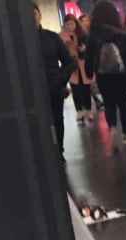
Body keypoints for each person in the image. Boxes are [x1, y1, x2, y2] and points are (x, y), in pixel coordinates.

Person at [86, 1, 126, 147]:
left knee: (109, 103)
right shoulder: (121, 33)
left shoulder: (93, 35)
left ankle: (112, 129)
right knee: (123, 103)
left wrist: (89, 73)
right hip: (122, 74)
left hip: (103, 75)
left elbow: (89, 56)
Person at [35, 3, 75, 164]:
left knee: (57, 120)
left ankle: (59, 150)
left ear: (40, 15)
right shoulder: (19, 40)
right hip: (32, 90)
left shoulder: (51, 37)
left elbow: (69, 62)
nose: (33, 17)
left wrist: (60, 79)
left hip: (53, 86)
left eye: (35, 13)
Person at [61, 16, 95, 123]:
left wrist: (83, 49)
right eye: (68, 24)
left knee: (86, 88)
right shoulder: (61, 36)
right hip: (71, 66)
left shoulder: (82, 34)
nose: (70, 26)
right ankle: (79, 111)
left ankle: (89, 111)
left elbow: (89, 50)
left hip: (83, 64)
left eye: (72, 24)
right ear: (64, 25)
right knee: (75, 89)